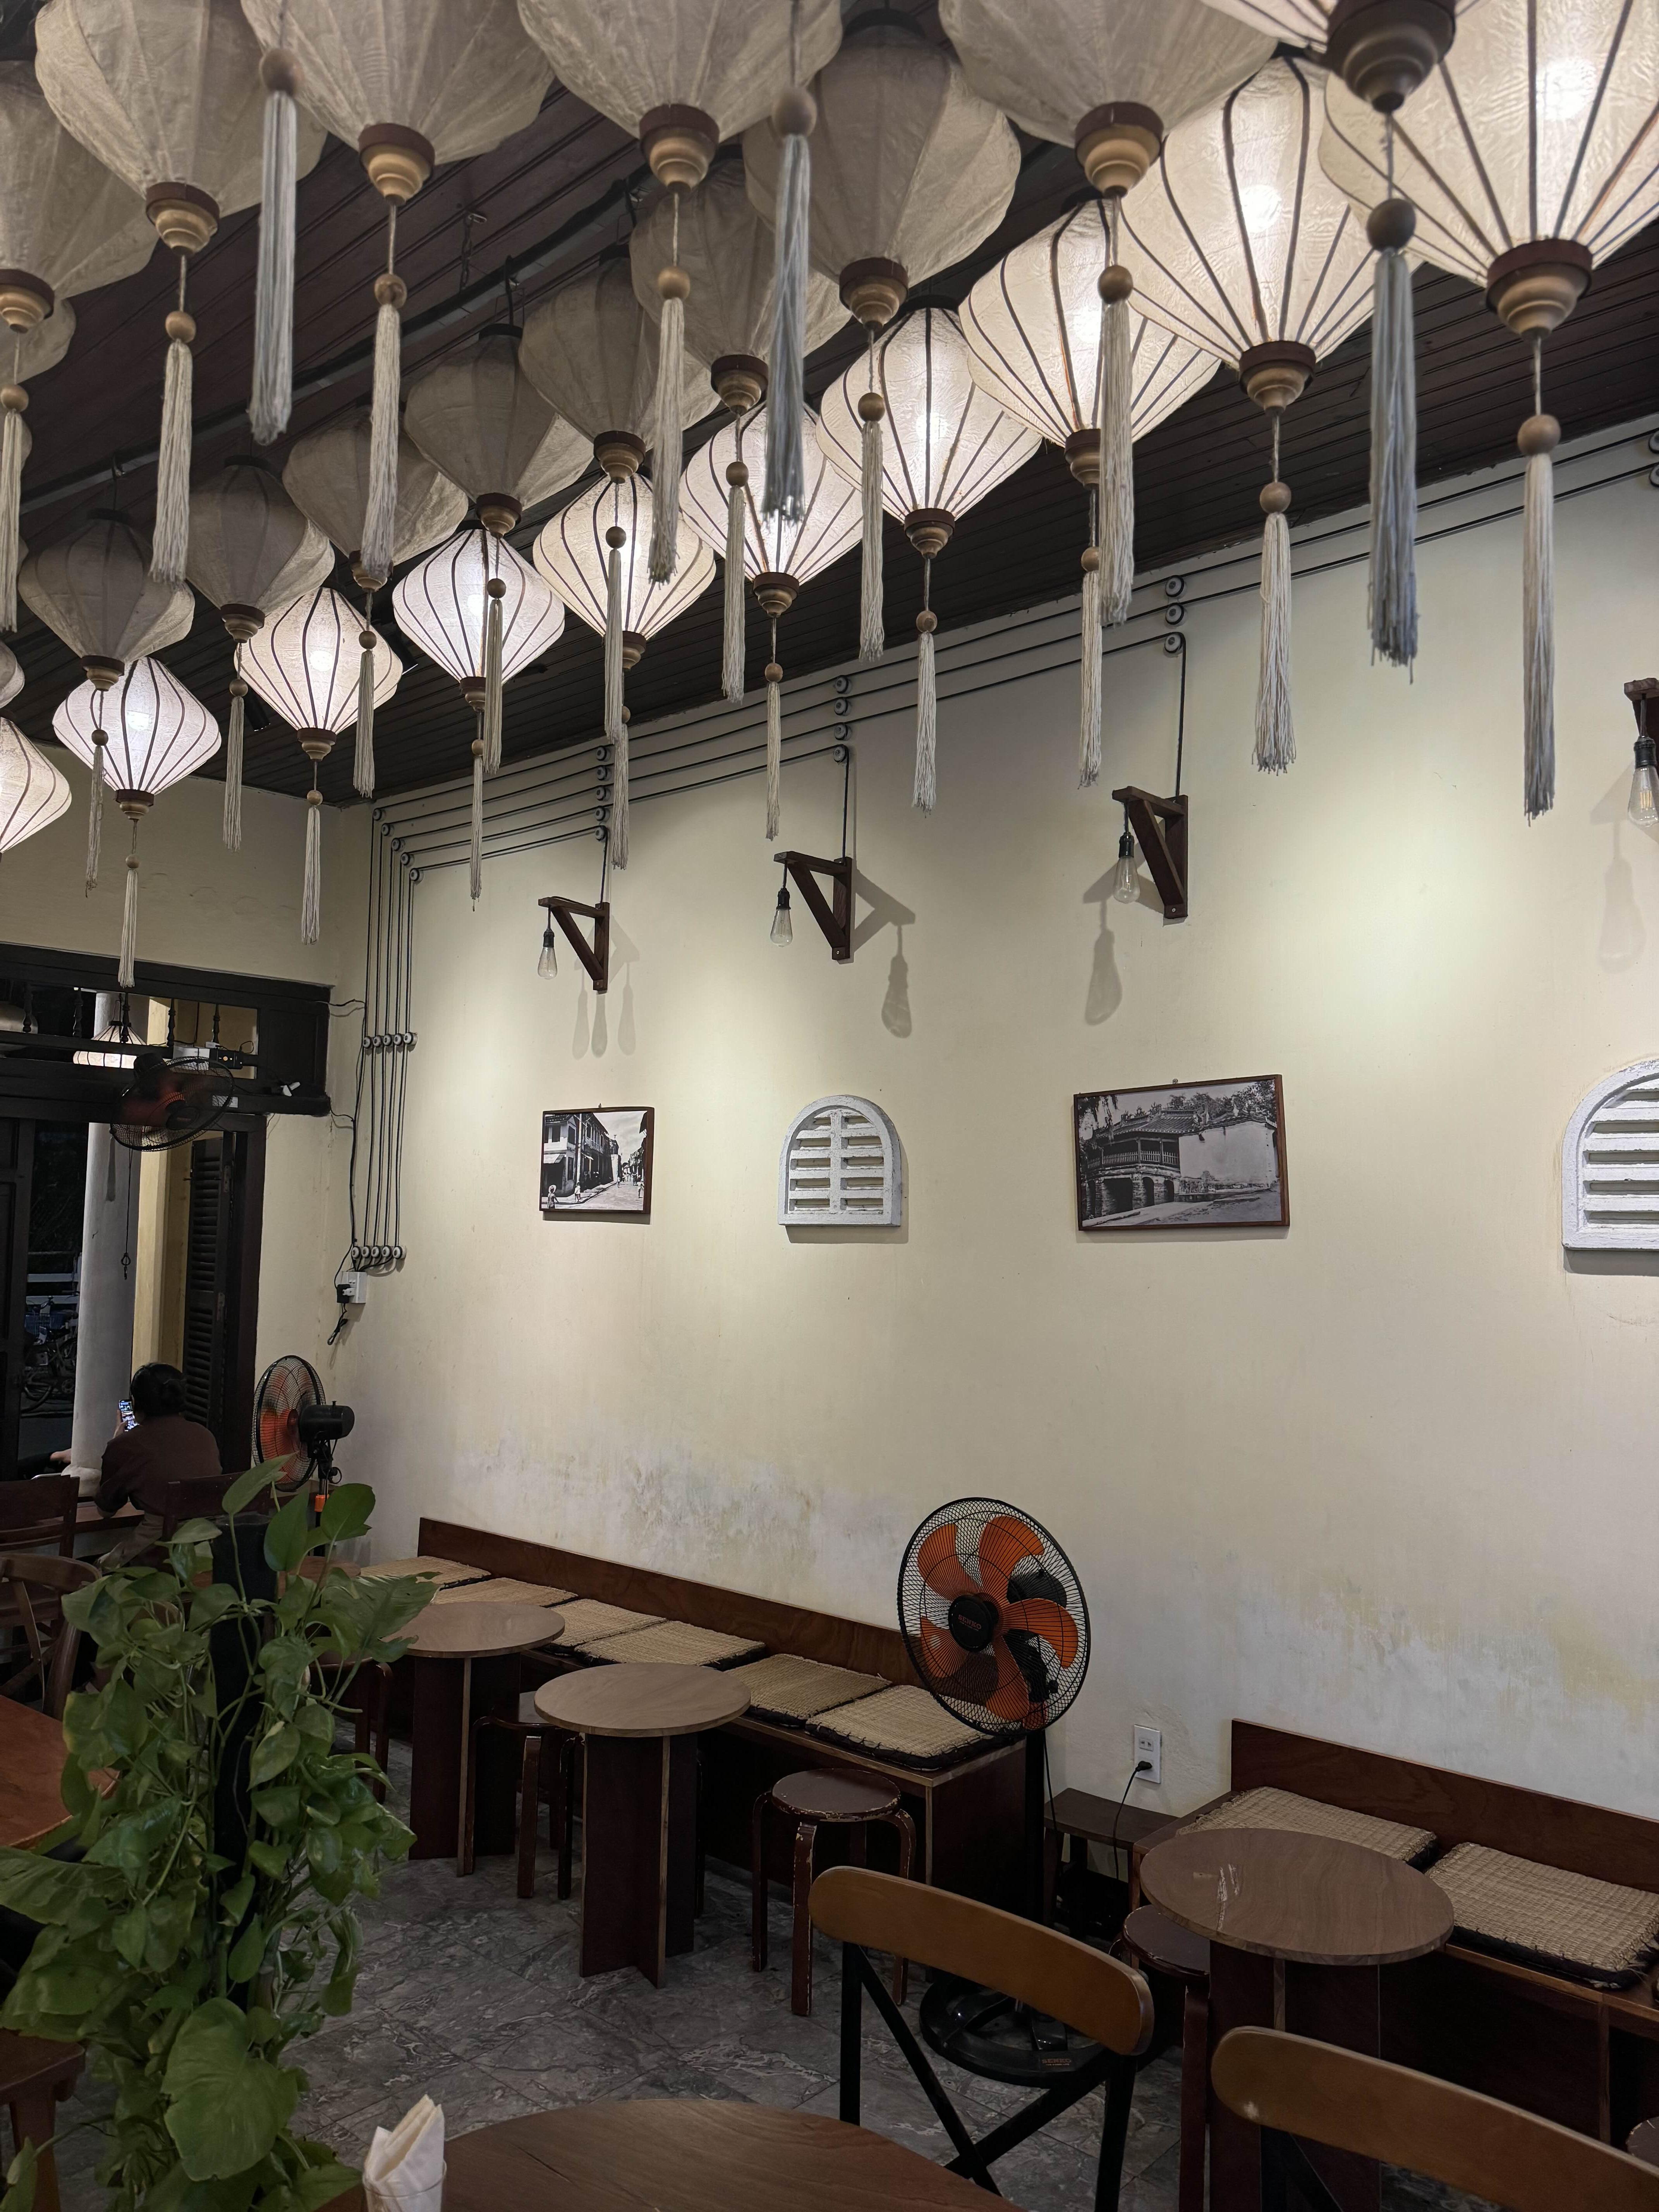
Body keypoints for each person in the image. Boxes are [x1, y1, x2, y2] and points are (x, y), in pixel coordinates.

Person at [96, 1363, 222, 1565]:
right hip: (206, 1548)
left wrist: (117, 1442)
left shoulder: (126, 1445)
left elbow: (106, 1511)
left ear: (136, 1402)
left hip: (157, 1550)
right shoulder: (205, 1435)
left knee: (99, 1568)